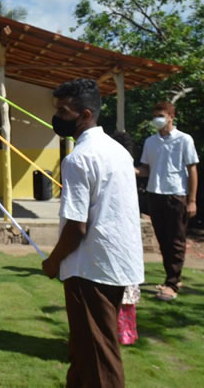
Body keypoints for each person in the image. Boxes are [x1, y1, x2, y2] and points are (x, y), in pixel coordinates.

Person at [42, 79, 144, 388]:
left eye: (64, 111)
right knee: (84, 351)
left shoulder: (78, 158)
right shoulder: (117, 151)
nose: (59, 117)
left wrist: (53, 262)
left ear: (85, 114)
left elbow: (76, 227)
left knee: (100, 358)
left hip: (91, 270)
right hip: (114, 265)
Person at [137, 101, 199, 301]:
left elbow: (192, 170)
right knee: (163, 240)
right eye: (155, 115)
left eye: (161, 115)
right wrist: (129, 169)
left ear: (171, 116)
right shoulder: (150, 142)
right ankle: (171, 278)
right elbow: (145, 169)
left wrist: (192, 200)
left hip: (176, 195)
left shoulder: (183, 140)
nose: (158, 119)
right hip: (154, 194)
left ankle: (172, 284)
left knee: (176, 241)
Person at [110, 131, 142, 346]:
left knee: (117, 293)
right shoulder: (126, 168)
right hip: (127, 238)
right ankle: (124, 334)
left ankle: (118, 333)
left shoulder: (120, 169)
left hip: (119, 236)